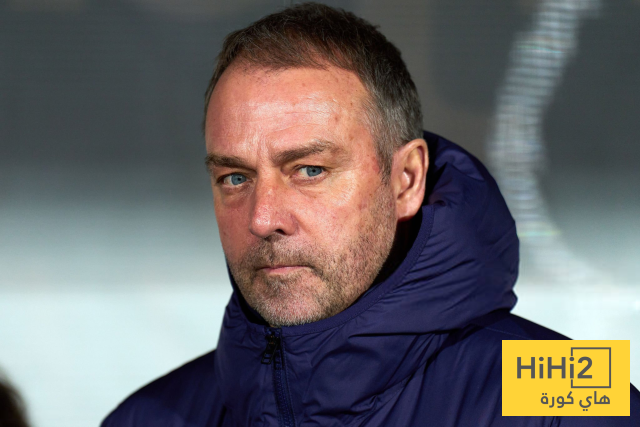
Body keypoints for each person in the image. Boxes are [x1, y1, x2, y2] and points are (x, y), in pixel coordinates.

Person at [102, 3, 640, 426]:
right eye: (235, 178)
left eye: (309, 170)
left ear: (406, 180)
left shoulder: (577, 392)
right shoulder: (148, 417)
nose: (263, 218)